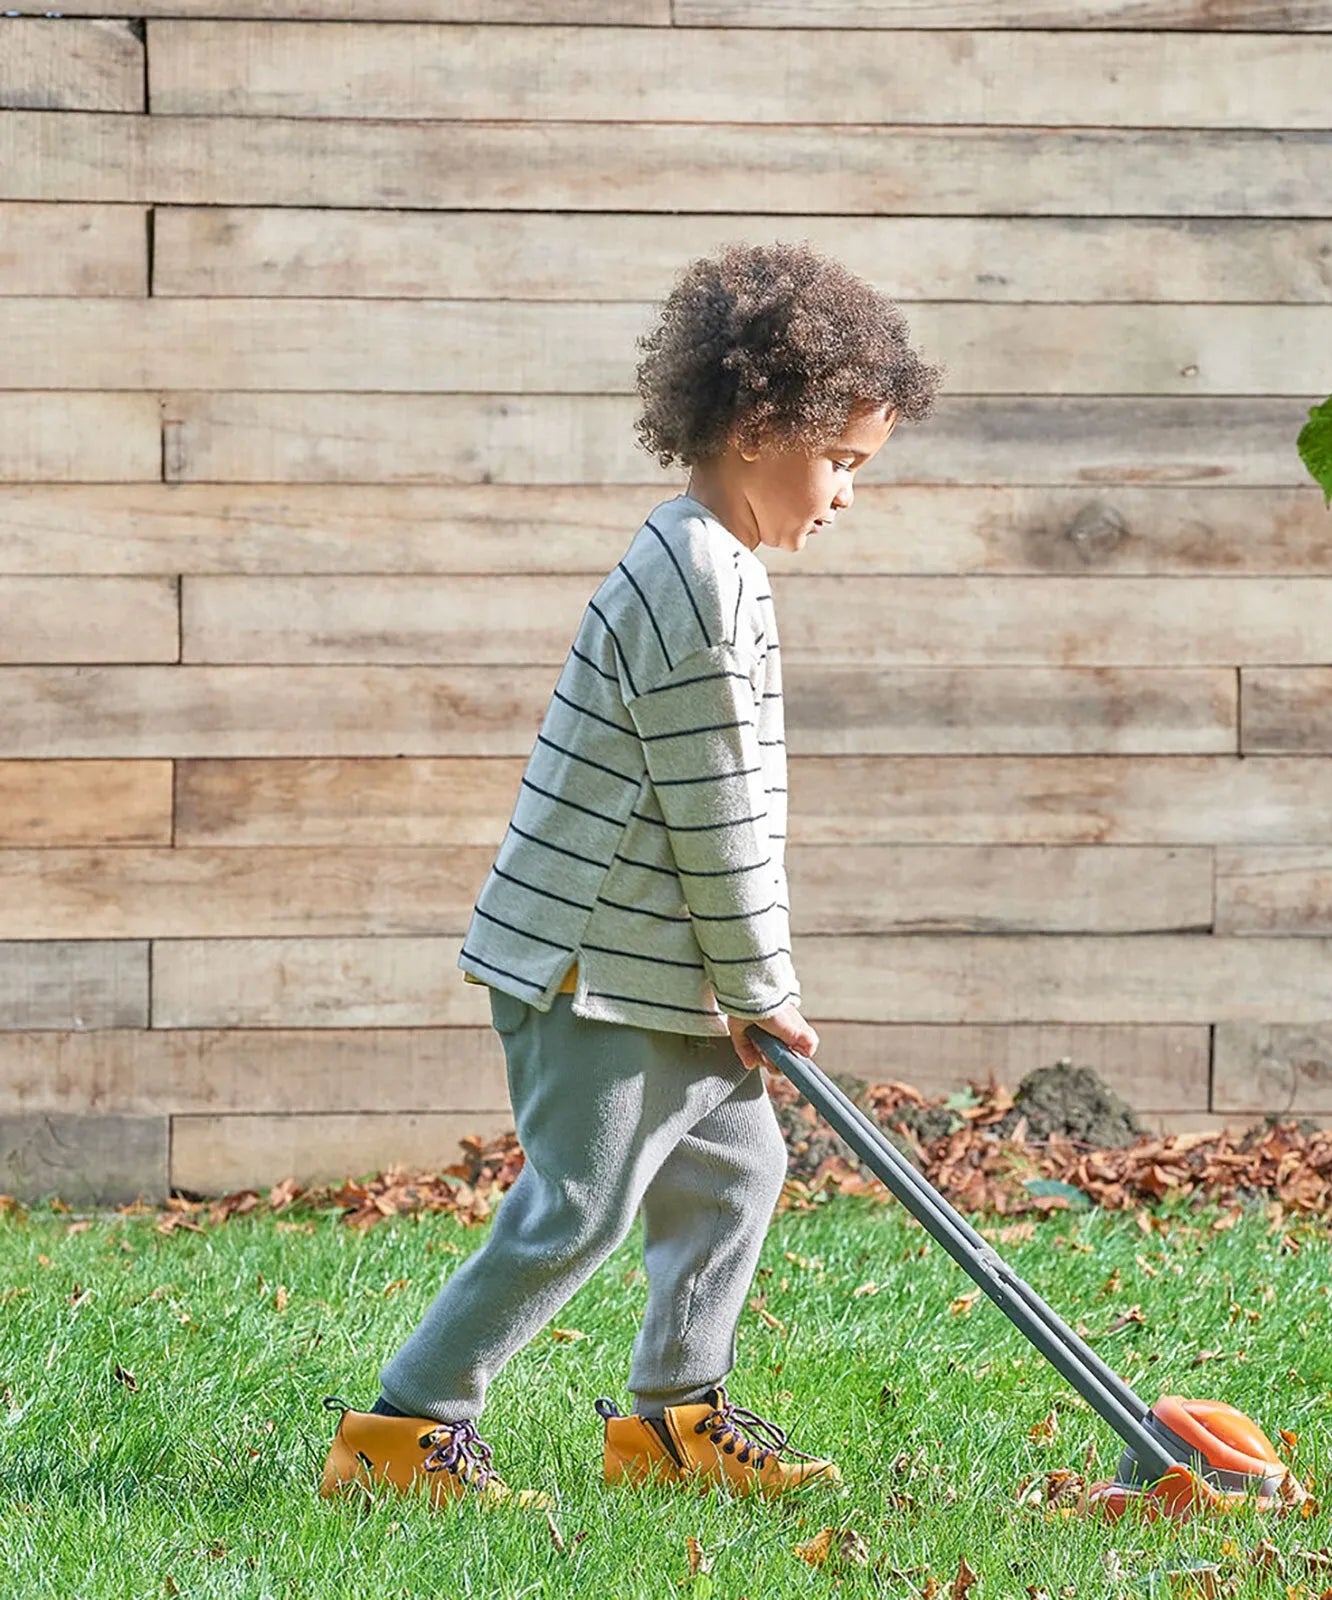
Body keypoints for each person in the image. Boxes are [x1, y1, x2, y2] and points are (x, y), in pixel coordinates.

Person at [319, 242, 943, 1509]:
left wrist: (735, 989)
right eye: (845, 464)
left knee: (737, 1168)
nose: (848, 495)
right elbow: (718, 818)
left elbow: (728, 812)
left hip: (666, 973)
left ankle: (674, 1420)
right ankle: (400, 1434)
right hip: (589, 969)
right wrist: (765, 985)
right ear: (766, 425)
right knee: (581, 1208)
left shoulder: (717, 564)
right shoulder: (697, 584)